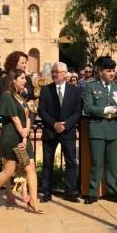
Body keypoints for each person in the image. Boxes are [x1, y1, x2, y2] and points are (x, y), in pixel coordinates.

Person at [0, 70, 42, 213]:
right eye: (22, 78)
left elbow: (27, 115)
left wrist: (26, 133)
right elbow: (14, 118)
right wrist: (22, 134)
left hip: (23, 137)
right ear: (13, 80)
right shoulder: (7, 96)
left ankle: (33, 202)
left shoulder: (20, 97)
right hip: (11, 138)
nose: (25, 81)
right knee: (8, 171)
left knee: (30, 168)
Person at [37, 62, 82, 202]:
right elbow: (41, 110)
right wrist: (54, 124)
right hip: (50, 131)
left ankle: (71, 192)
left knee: (71, 162)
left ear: (65, 73)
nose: (54, 74)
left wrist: (66, 124)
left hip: (68, 132)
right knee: (47, 163)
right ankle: (46, 192)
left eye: (57, 71)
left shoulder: (74, 91)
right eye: (53, 71)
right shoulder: (45, 90)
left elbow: (77, 111)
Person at [82, 56, 117, 204]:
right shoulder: (91, 86)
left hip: (113, 127)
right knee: (97, 162)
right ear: (100, 72)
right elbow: (87, 107)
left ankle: (112, 191)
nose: (112, 73)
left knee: (112, 163)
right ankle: (92, 192)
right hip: (98, 127)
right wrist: (104, 109)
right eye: (108, 70)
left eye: (113, 70)